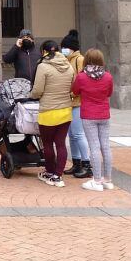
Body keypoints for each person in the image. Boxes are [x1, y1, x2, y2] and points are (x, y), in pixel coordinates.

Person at [30, 40, 74, 188]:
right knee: (61, 143)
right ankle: (58, 175)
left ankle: (50, 172)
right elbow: (72, 86)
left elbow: (37, 90)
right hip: (65, 110)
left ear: (44, 52)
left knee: (47, 144)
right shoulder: (68, 65)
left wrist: (32, 95)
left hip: (48, 111)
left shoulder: (43, 66)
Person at [71, 48, 115, 192]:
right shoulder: (108, 76)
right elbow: (109, 93)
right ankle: (107, 180)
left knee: (94, 146)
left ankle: (96, 180)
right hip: (104, 114)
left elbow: (75, 91)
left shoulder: (82, 77)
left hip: (89, 114)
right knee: (105, 146)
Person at [60, 29, 91, 179]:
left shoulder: (79, 59)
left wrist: (73, 93)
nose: (63, 50)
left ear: (70, 47)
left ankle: (87, 164)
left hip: (78, 102)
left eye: (65, 47)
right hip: (69, 102)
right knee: (72, 135)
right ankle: (76, 162)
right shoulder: (67, 60)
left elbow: (82, 80)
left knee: (79, 134)